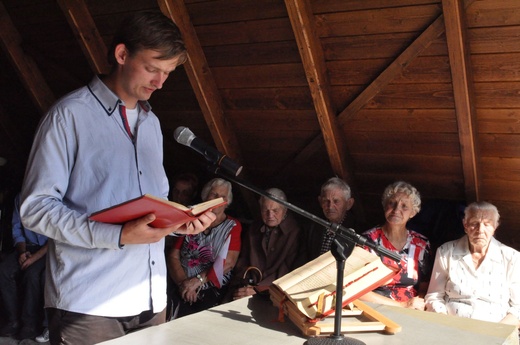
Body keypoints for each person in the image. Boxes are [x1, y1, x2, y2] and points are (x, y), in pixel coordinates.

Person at [19, 11, 216, 345]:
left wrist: (175, 222)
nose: (160, 83)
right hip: (90, 304)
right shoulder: (68, 117)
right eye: (153, 68)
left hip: (152, 300)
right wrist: (118, 235)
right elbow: (35, 208)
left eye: (167, 73)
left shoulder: (152, 125)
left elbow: (147, 207)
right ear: (122, 55)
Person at [425, 201, 520, 328]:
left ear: (495, 227)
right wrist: (445, 323)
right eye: (474, 224)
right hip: (452, 329)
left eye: (487, 224)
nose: (480, 230)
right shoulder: (446, 252)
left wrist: (496, 332)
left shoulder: (511, 257)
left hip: (497, 332)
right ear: (465, 225)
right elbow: (434, 296)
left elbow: (518, 307)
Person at [167, 178, 242, 318]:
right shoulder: (192, 218)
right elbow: (173, 255)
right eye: (214, 194)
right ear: (206, 197)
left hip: (209, 285)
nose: (217, 199)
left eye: (222, 197)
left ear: (227, 202)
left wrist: (197, 282)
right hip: (181, 281)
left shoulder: (232, 226)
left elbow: (228, 263)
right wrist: (183, 284)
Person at [360, 181, 431, 310]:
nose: (396, 210)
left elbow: (424, 288)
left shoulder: (421, 244)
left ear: (413, 213)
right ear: (385, 206)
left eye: (404, 206)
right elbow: (357, 290)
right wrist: (401, 305)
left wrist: (417, 305)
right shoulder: (367, 241)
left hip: (412, 310)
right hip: (376, 308)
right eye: (392, 203)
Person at [232, 188, 302, 299]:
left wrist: (258, 289)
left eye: (275, 210)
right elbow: (243, 259)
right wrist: (245, 283)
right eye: (265, 210)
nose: (270, 215)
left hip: (275, 292)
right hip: (248, 284)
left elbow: (288, 271)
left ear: (285, 210)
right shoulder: (254, 228)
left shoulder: (294, 232)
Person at [0, 193, 48, 340]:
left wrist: (34, 258)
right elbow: (17, 229)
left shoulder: (54, 199)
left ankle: (30, 324)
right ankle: (13, 320)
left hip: (46, 251)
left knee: (32, 275)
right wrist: (22, 252)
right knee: (4, 271)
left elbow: (55, 239)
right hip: (26, 248)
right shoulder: (20, 198)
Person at [304, 177, 355, 262]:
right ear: (320, 201)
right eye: (326, 201)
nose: (330, 207)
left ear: (349, 204)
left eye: (336, 201)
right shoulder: (312, 227)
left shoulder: (356, 230)